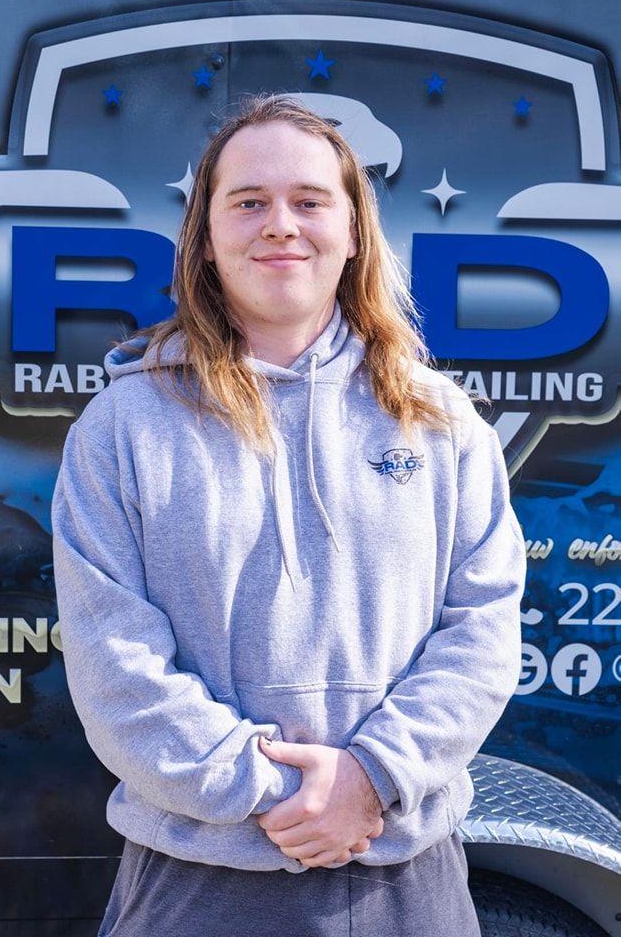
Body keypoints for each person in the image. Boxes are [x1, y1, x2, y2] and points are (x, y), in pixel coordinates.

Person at [51, 94, 525, 936]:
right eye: (248, 202)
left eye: (309, 201)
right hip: (197, 881)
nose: (281, 225)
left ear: (352, 232)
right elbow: (111, 660)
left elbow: (483, 631)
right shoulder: (123, 426)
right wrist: (283, 794)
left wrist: (371, 778)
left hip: (405, 877)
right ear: (205, 236)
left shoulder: (439, 419)